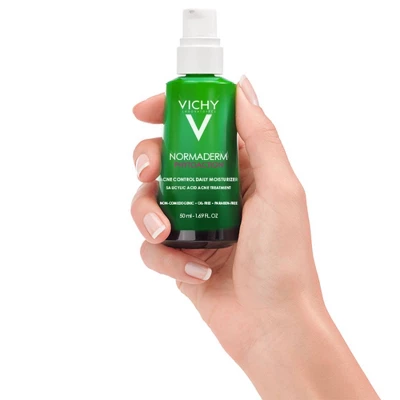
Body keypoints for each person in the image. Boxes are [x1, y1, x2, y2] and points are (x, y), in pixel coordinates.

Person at [131, 76, 380, 399]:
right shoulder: (182, 91)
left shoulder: (216, 92)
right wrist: (273, 328)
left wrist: (283, 315)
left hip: (229, 225)